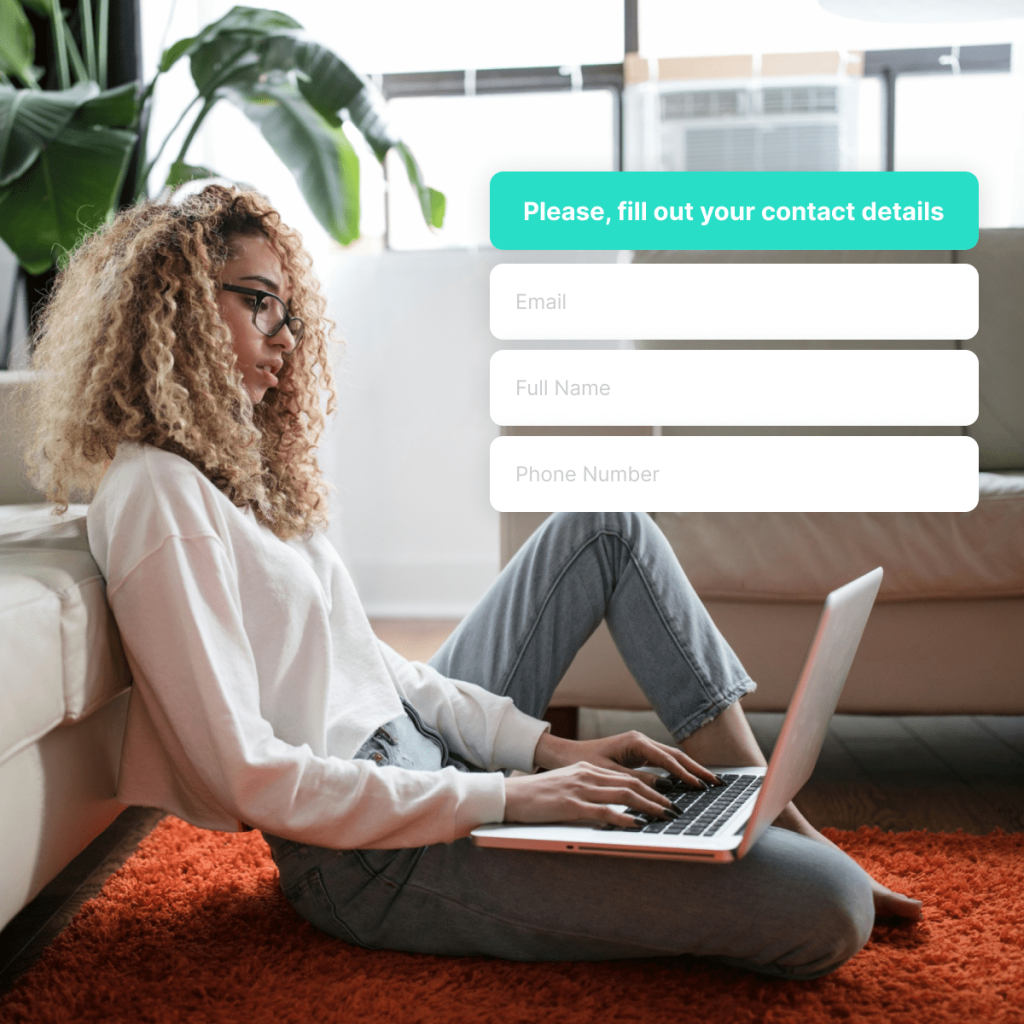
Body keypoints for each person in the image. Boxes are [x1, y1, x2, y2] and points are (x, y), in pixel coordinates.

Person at [26, 184, 921, 980]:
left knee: (601, 527)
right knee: (830, 907)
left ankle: (765, 806)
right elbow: (249, 776)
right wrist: (506, 796)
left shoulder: (235, 471)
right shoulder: (157, 494)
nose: (285, 340)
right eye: (259, 304)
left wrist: (544, 752)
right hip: (369, 858)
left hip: (422, 758)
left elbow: (374, 669)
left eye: (289, 313)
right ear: (174, 307)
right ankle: (776, 841)